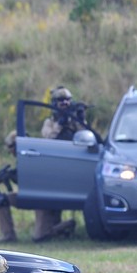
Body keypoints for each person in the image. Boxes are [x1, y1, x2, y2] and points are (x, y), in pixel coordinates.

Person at [34, 85, 82, 242]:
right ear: (54, 103)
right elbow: (48, 138)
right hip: (55, 167)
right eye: (61, 101)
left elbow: (84, 136)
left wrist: (80, 118)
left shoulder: (73, 121)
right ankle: (59, 228)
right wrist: (60, 123)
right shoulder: (49, 122)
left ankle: (61, 227)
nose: (65, 104)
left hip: (73, 166)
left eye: (68, 100)